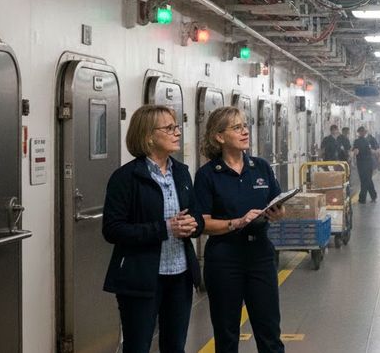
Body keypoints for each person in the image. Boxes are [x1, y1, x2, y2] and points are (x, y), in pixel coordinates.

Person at [102, 105, 203, 353]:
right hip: (141, 277)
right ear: (148, 135)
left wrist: (194, 225)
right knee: (138, 346)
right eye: (169, 128)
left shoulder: (181, 173)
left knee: (175, 346)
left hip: (179, 275)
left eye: (176, 126)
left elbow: (196, 216)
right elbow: (113, 229)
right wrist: (165, 228)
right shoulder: (125, 178)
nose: (177, 132)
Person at [194, 106, 286, 353]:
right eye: (237, 128)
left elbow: (278, 203)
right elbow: (203, 223)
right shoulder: (207, 175)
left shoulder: (261, 167)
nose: (245, 131)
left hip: (261, 255)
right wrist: (237, 222)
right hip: (224, 258)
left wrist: (277, 213)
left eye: (245, 126)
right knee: (226, 335)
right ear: (219, 136)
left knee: (269, 332)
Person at [353, 126, 378, 204]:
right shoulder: (359, 141)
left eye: (363, 131)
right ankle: (373, 196)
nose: (362, 133)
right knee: (367, 180)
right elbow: (356, 150)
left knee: (365, 180)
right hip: (364, 163)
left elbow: (376, 150)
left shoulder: (367, 140)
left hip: (365, 163)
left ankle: (362, 198)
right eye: (361, 131)